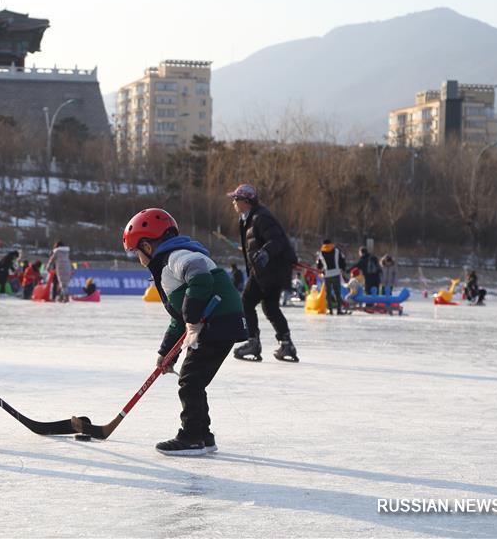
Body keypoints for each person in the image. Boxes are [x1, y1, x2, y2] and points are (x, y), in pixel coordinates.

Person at [123, 208, 247, 456]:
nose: (137, 257)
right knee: (194, 380)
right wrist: (166, 353)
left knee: (190, 380)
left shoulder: (176, 256)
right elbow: (179, 319)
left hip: (218, 322)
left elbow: (200, 278)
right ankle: (204, 435)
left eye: (136, 251)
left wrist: (192, 318)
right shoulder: (168, 265)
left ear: (147, 246)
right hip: (220, 322)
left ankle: (191, 436)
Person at [227, 184, 299, 362]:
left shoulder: (260, 217)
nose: (233, 203)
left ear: (246, 201)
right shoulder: (250, 218)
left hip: (268, 271)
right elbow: (260, 241)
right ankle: (286, 344)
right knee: (270, 306)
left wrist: (265, 252)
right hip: (272, 271)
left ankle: (253, 342)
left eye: (236, 200)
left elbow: (277, 240)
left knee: (246, 302)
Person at [316, 239, 347, 315]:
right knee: (337, 293)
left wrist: (321, 269)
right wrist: (343, 269)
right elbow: (342, 261)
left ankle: (330, 310)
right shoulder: (337, 251)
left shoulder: (321, 253)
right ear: (331, 243)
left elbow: (319, 266)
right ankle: (339, 310)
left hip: (327, 275)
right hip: (336, 274)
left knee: (328, 294)